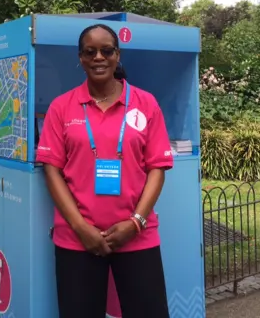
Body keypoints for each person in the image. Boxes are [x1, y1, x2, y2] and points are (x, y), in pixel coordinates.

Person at [36, 23, 173, 318]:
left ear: (117, 55)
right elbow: (52, 169)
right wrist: (82, 228)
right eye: (90, 51)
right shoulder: (62, 107)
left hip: (136, 236)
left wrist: (135, 222)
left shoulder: (145, 103)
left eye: (106, 50)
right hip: (77, 239)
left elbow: (157, 168)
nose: (99, 57)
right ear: (81, 58)